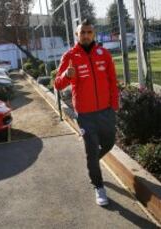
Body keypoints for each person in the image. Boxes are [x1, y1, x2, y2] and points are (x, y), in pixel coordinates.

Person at [54, 19, 119, 206]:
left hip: (106, 111)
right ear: (77, 35)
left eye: (89, 32)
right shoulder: (70, 56)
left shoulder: (104, 54)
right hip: (85, 114)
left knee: (109, 142)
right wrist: (67, 75)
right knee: (91, 151)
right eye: (82, 32)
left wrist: (114, 105)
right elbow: (57, 84)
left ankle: (93, 164)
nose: (86, 35)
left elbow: (112, 80)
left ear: (94, 34)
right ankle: (98, 186)